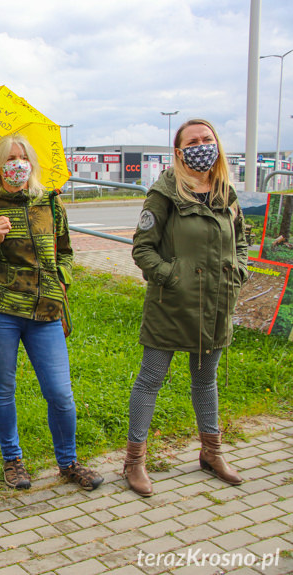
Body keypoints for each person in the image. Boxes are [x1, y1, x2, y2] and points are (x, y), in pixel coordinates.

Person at [0, 134, 103, 492]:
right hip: (0, 312)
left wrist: (62, 281)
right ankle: (13, 461)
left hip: (46, 312)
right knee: (3, 387)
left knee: (59, 393)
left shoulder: (51, 205)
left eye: (23, 157)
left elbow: (67, 251)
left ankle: (68, 462)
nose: (18, 164)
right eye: (10, 159)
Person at [124, 119, 248, 497]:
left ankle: (211, 453)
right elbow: (142, 248)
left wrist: (239, 271)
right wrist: (171, 277)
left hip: (215, 306)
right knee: (150, 380)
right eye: (192, 141)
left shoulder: (226, 193)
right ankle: (134, 461)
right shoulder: (164, 192)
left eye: (206, 139)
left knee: (205, 381)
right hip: (172, 305)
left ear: (217, 144)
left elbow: (241, 239)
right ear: (178, 151)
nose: (201, 145)